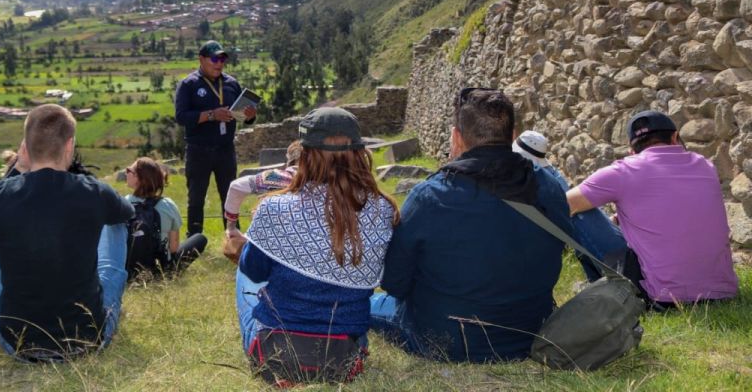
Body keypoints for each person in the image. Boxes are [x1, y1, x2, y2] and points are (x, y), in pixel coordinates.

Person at [370, 88, 570, 363]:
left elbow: (394, 282)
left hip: (444, 338)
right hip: (529, 333)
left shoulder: (429, 197)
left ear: (456, 137)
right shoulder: (549, 187)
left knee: (366, 305)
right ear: (513, 137)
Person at [236, 107, 398, 382]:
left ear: (305, 155)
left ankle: (282, 365)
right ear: (359, 152)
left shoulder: (274, 208)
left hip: (277, 349)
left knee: (243, 274)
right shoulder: (383, 209)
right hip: (345, 351)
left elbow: (255, 272)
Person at [0, 104, 134, 360]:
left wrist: (17, 170)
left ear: (25, 148)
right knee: (117, 221)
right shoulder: (94, 191)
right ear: (69, 144)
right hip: (87, 338)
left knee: (0, 232)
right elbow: (127, 212)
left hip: (15, 342)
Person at [565, 110, 738, 306]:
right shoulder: (705, 166)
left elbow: (563, 204)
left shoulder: (623, 171)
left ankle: (601, 289)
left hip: (662, 298)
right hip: (722, 294)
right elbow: (675, 206)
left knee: (578, 213)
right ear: (674, 137)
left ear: (632, 150)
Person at [512, 130, 627, 281]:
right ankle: (596, 280)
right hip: (616, 249)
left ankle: (602, 280)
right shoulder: (552, 175)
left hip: (616, 261)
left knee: (574, 222)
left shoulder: (542, 181)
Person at [174, 40, 256, 236]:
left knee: (230, 196)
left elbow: (243, 117)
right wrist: (211, 115)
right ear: (201, 59)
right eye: (214, 59)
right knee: (196, 198)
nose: (219, 63)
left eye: (222, 59)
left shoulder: (231, 83)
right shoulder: (188, 84)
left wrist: (250, 115)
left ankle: (233, 237)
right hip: (198, 150)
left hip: (225, 149)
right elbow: (181, 117)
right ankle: (194, 241)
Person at [124, 157, 207, 277]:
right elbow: (174, 248)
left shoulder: (123, 204)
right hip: (161, 270)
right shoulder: (168, 205)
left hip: (128, 270)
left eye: (128, 170)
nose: (126, 173)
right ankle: (171, 273)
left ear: (138, 178)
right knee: (200, 238)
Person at [223, 140, 301, 230]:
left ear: (289, 158)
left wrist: (231, 227)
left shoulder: (274, 177)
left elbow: (235, 186)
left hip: (269, 237)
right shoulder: (319, 180)